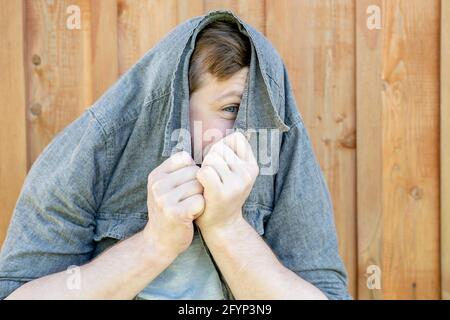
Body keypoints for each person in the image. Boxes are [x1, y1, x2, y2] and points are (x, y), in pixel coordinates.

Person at [0, 10, 351, 300]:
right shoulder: (94, 149)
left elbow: (329, 294)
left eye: (253, 116)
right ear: (176, 105)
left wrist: (227, 228)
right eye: (230, 109)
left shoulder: (281, 152)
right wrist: (155, 244)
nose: (245, 133)